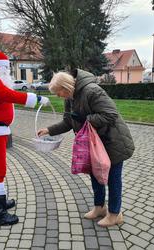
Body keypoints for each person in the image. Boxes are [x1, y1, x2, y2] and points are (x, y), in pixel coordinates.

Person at [38, 69, 135, 227]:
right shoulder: (70, 97)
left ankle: (115, 214)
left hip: (112, 142)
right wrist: (49, 130)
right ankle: (99, 208)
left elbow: (111, 114)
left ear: (66, 86)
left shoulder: (92, 91)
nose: (58, 96)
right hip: (93, 143)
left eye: (58, 92)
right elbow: (69, 121)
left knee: (113, 179)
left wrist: (86, 120)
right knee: (95, 175)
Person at [0, 50, 50, 226]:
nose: (7, 72)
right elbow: (8, 95)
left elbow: (4, 95)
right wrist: (37, 98)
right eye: (6, 68)